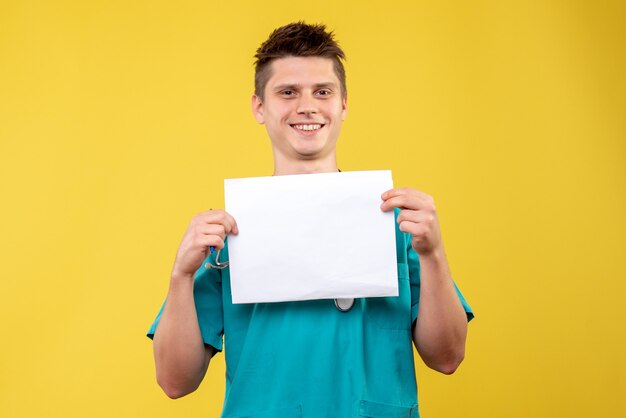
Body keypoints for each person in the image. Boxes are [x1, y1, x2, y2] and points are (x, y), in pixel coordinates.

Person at [147, 21, 474, 417]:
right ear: (259, 108)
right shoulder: (229, 235)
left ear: (344, 104)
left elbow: (448, 357)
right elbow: (175, 381)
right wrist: (179, 277)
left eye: (323, 92)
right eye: (288, 92)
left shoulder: (397, 225)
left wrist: (434, 254)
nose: (307, 106)